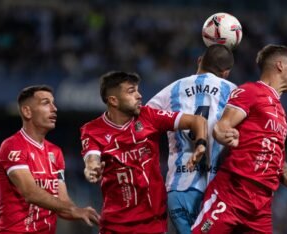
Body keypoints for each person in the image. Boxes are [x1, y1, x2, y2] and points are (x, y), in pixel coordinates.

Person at [191, 44, 287, 234]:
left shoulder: (280, 113)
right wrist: (225, 135)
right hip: (233, 193)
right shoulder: (250, 91)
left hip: (261, 207)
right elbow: (222, 125)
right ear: (280, 65)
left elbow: (278, 162)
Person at [80, 71, 207, 234]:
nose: (139, 96)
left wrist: (201, 144)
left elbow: (197, 120)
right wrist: (91, 168)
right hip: (115, 225)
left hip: (153, 223)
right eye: (131, 91)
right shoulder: (92, 129)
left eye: (138, 90)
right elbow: (91, 157)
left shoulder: (148, 116)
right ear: (113, 100)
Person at [146, 44, 237, 234]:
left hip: (179, 187)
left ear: (199, 61)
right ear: (226, 73)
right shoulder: (234, 92)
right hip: (217, 192)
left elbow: (143, 122)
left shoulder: (172, 89)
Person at [0, 85, 100, 234]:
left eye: (53, 103)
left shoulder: (55, 152)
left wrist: (83, 212)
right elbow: (30, 192)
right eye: (46, 103)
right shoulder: (12, 146)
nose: (54, 108)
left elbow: (63, 204)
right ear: (27, 111)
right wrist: (72, 209)